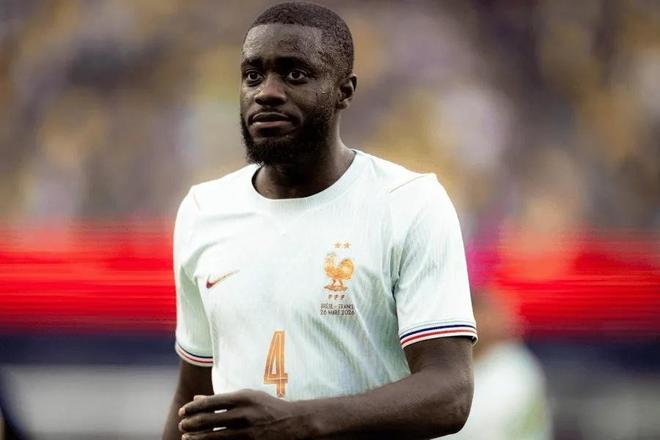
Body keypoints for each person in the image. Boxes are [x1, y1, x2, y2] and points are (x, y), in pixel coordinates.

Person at [163, 3, 477, 439]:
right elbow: (193, 394)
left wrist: (300, 421)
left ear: (344, 91)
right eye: (252, 75)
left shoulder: (409, 204)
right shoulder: (204, 210)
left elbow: (450, 393)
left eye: (294, 75)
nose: (266, 92)